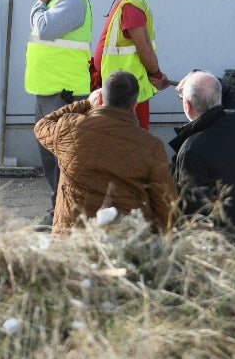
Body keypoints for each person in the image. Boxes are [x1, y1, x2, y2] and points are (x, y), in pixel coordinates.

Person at [33, 70, 178, 237]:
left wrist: (86, 103)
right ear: (134, 105)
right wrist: (159, 240)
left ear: (100, 99)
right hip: (126, 242)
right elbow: (164, 202)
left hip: (72, 241)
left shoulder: (69, 128)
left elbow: (42, 125)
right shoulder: (152, 145)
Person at [26, 0, 93, 225]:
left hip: (64, 94)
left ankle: (67, 213)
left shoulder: (73, 0)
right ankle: (59, 209)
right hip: (49, 91)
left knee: (63, 156)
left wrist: (38, 5)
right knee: (52, 156)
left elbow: (45, 28)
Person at [169, 71, 235, 242]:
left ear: (187, 105)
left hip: (220, 246)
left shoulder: (191, 149)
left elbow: (192, 210)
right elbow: (227, 94)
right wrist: (196, 74)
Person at [92, 0, 168, 130]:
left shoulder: (131, 7)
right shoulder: (127, 3)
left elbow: (145, 49)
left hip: (127, 94)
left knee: (132, 144)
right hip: (120, 91)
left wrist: (157, 75)